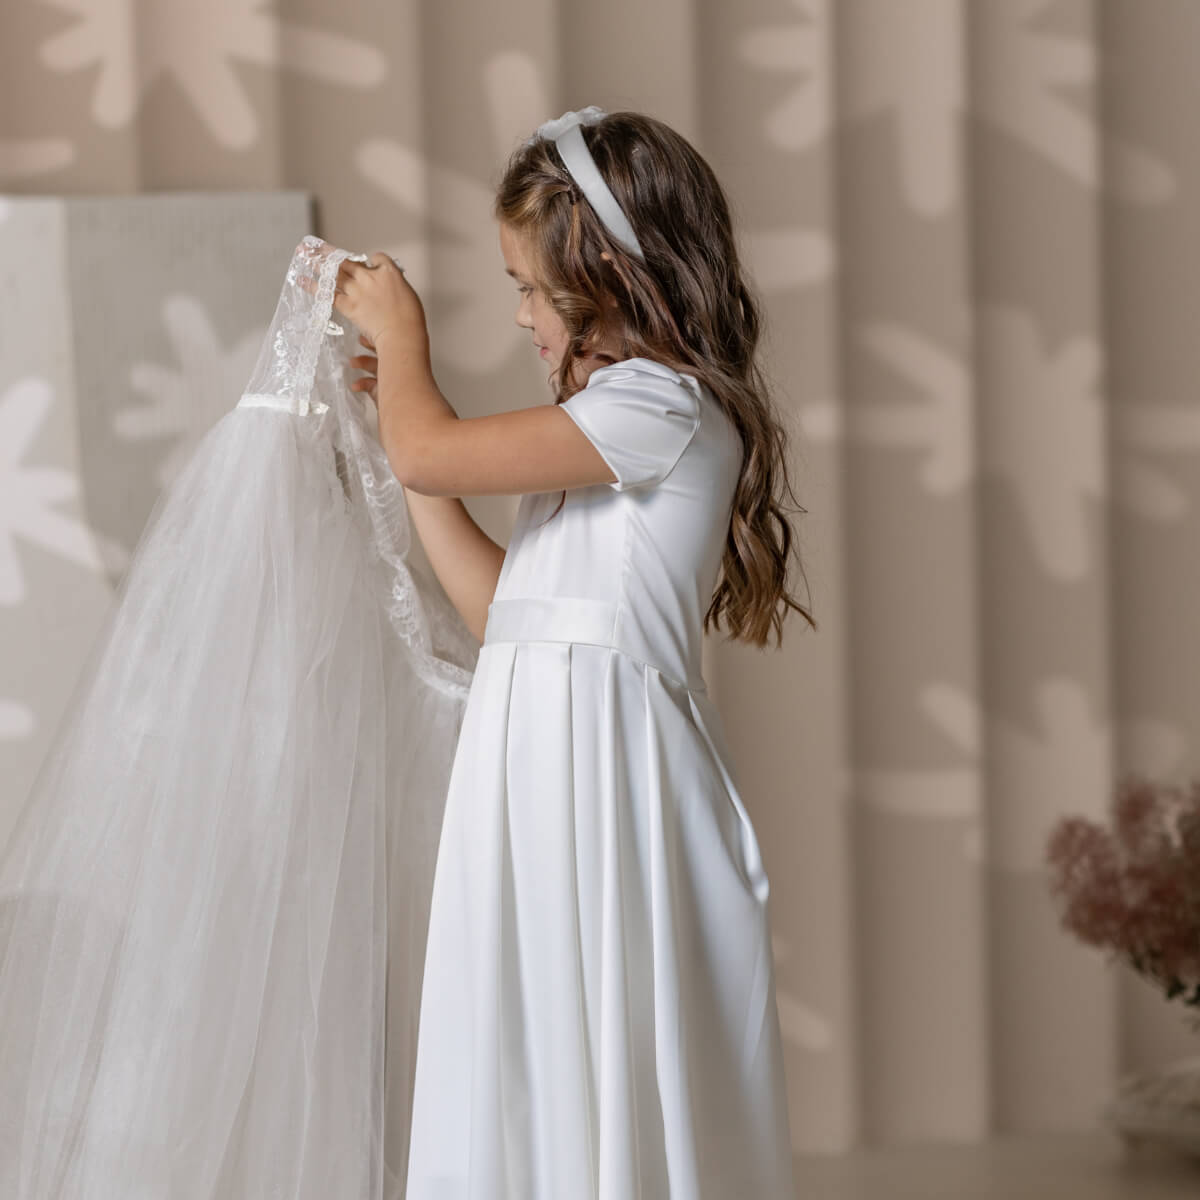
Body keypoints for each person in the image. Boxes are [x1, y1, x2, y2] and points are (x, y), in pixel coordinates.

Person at [333, 105, 815, 1199]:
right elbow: (505, 608)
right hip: (539, 762)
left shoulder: (665, 408)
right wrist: (409, 457)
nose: (518, 316)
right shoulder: (607, 418)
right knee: (528, 1026)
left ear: (598, 272)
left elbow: (431, 446)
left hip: (606, 771)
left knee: (600, 1024)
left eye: (525, 285)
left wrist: (403, 346)